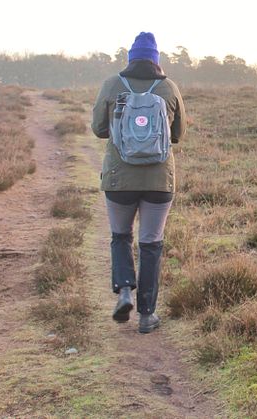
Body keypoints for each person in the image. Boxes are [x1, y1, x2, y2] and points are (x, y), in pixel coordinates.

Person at [91, 32, 186, 333]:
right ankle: (147, 315)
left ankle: (123, 292)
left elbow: (98, 129)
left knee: (120, 236)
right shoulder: (169, 87)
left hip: (120, 177)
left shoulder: (111, 85)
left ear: (130, 58)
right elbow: (178, 135)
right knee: (151, 244)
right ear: (156, 60)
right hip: (159, 179)